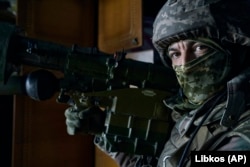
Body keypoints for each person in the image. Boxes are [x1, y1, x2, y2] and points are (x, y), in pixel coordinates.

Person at [65, 0, 250, 166]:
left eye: (200, 47)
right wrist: (106, 129)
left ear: (234, 49)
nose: (185, 65)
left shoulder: (243, 128)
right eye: (175, 54)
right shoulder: (187, 113)